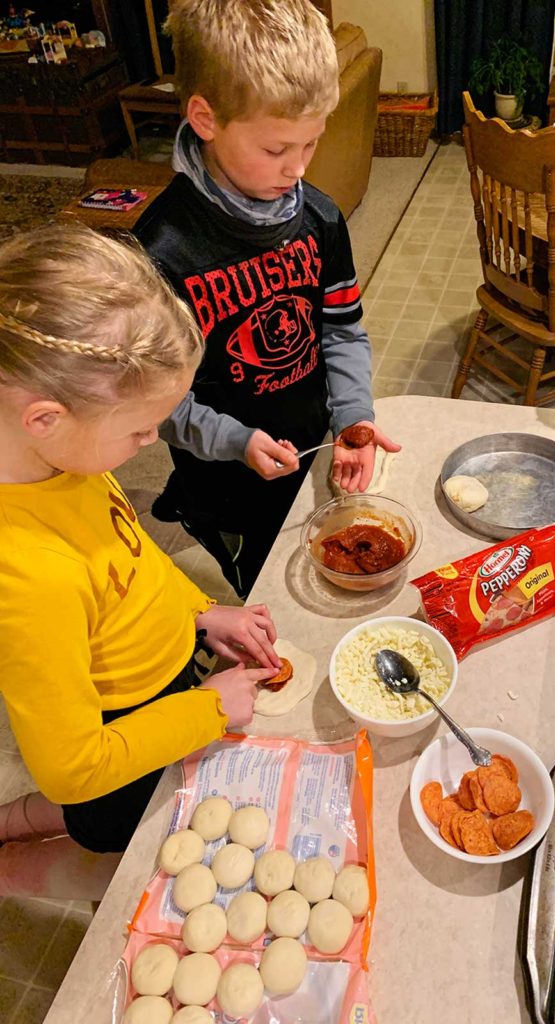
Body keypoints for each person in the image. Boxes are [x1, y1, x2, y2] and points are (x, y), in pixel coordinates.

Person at [0, 223, 283, 898]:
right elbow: (75, 769)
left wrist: (200, 612)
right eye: (137, 429)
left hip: (160, 684)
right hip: (118, 738)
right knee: (110, 838)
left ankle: (11, 821)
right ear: (45, 416)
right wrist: (210, 710)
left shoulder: (55, 459)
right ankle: (13, 872)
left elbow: (130, 557)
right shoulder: (29, 576)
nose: (153, 439)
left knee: (77, 813)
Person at [134, 0, 399, 599]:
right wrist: (233, 440)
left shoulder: (320, 218)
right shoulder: (160, 252)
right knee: (261, 583)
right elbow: (154, 403)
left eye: (310, 145)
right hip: (223, 477)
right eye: (277, 150)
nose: (298, 170)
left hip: (309, 447)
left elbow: (341, 330)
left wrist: (354, 413)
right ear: (204, 118)